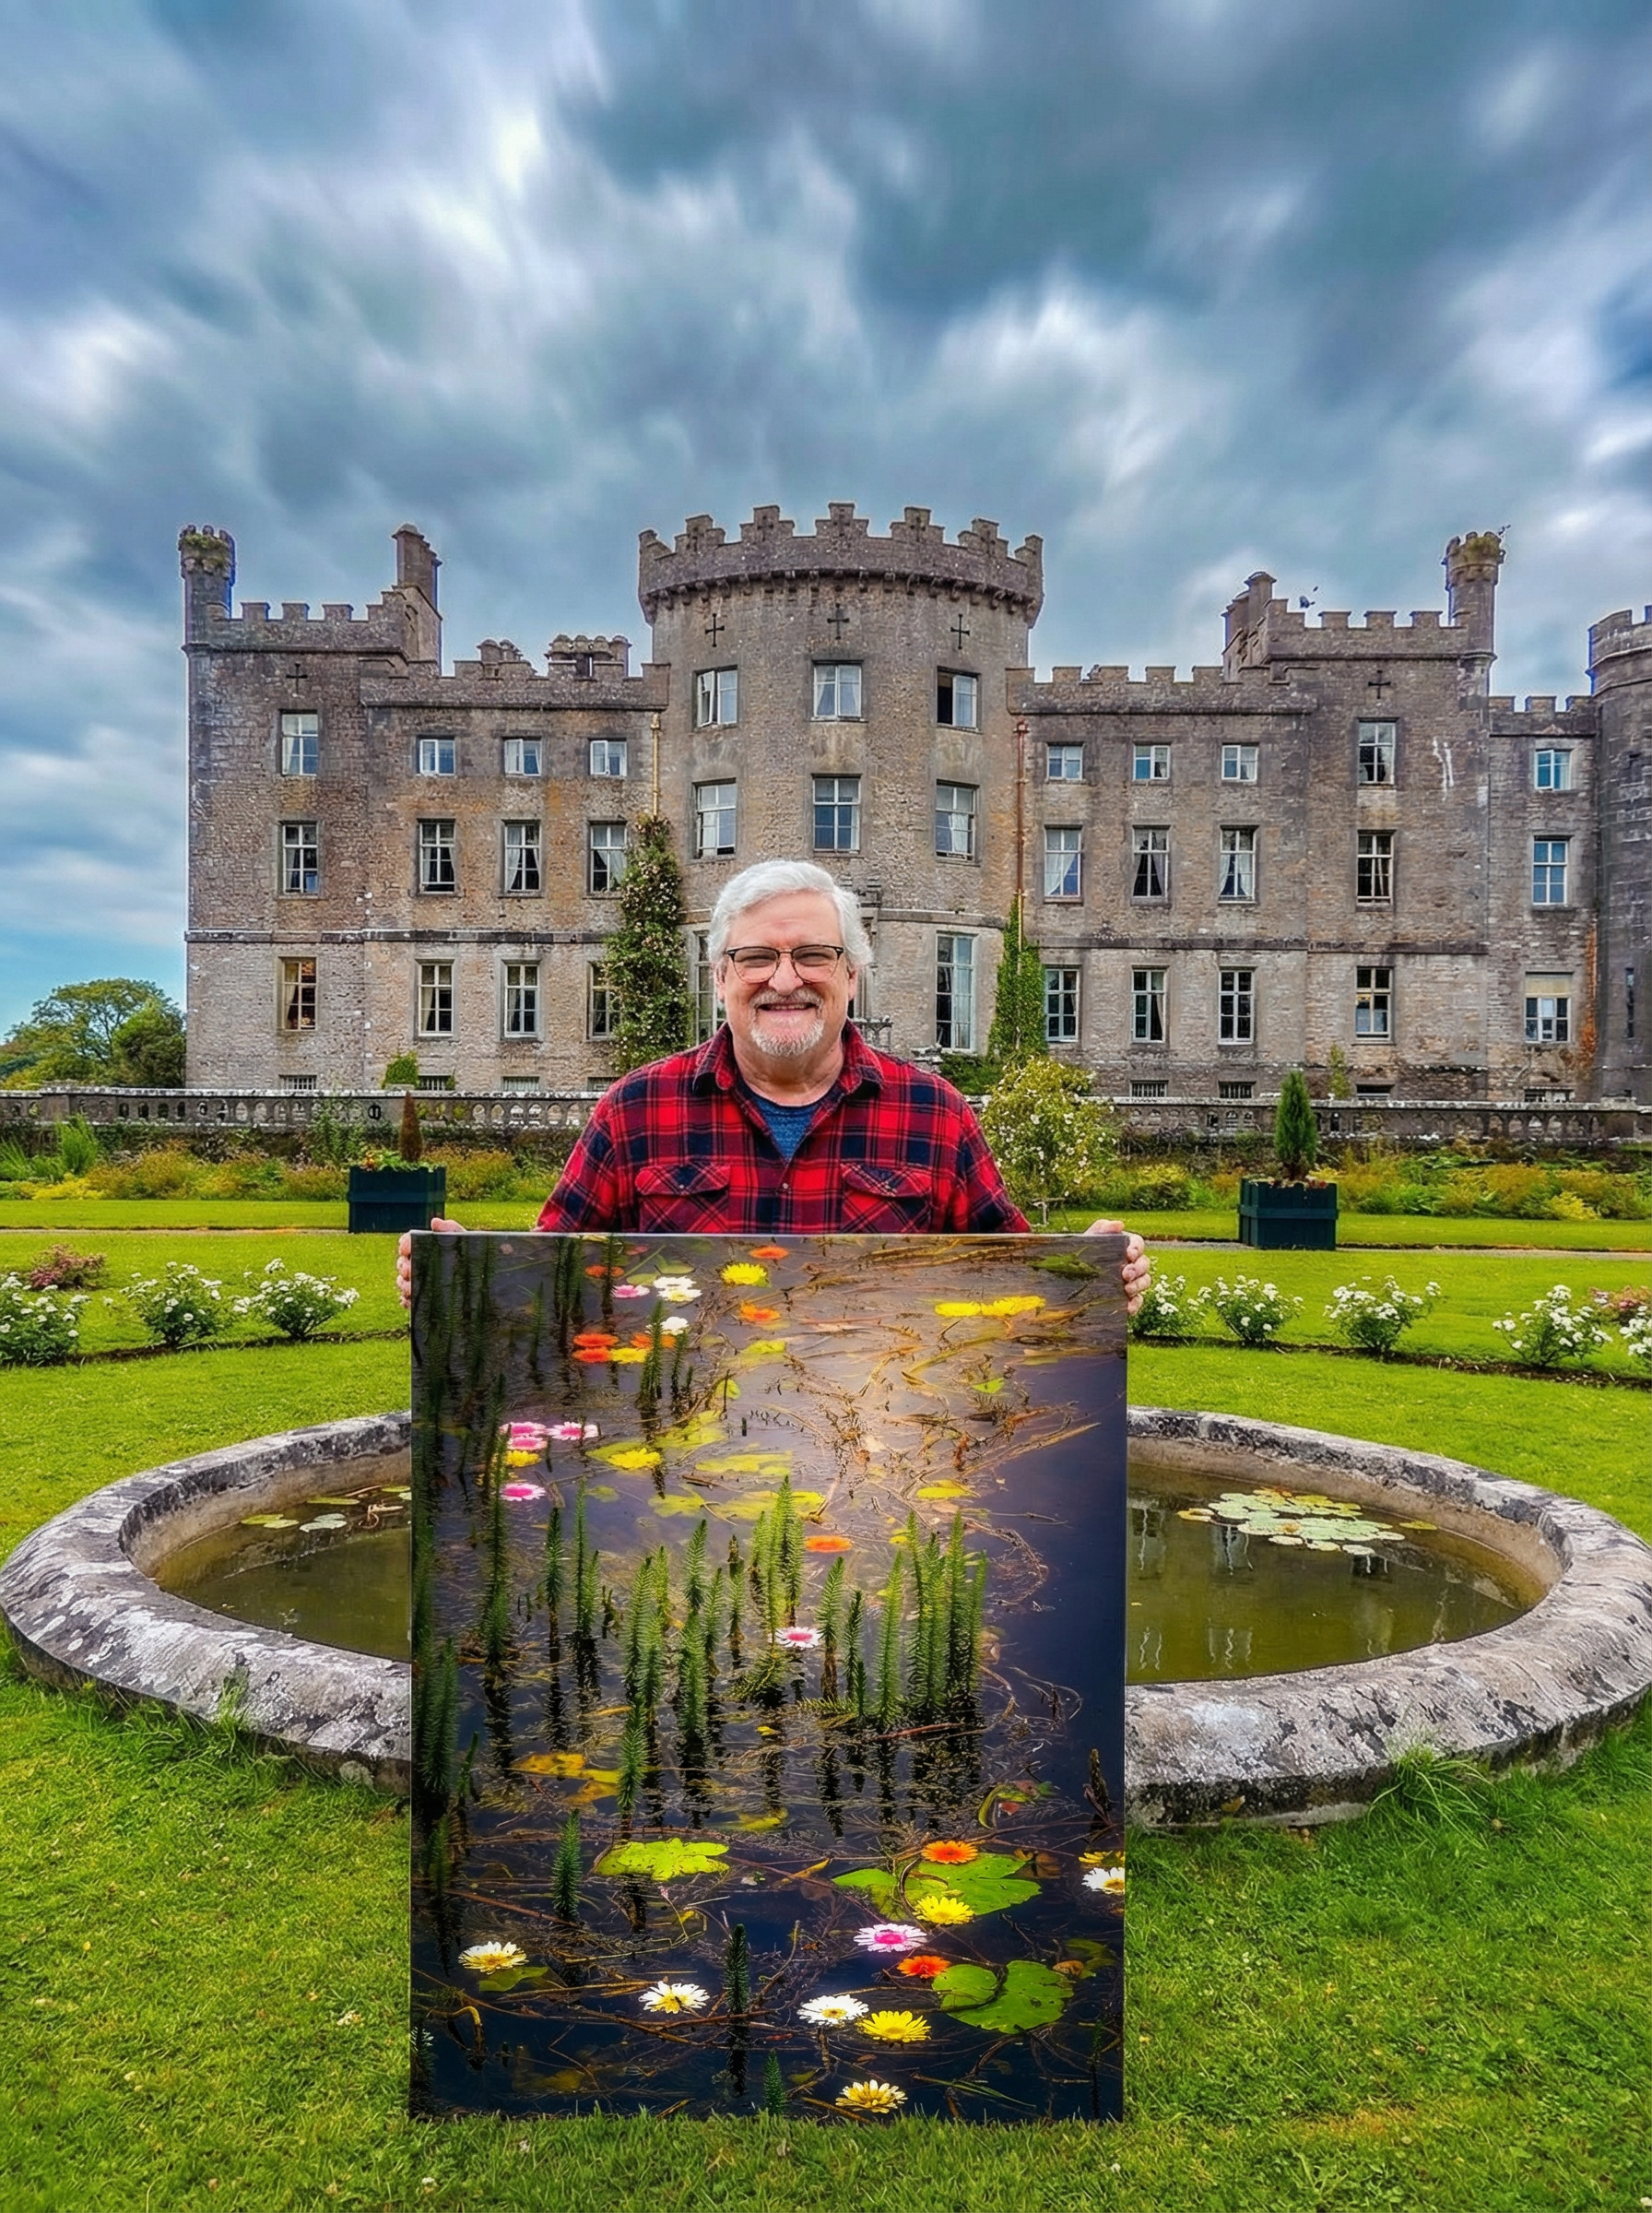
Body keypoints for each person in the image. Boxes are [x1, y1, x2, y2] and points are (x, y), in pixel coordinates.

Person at [397, 858, 1148, 1306]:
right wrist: (466, 1269)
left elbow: (1008, 1285)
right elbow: (550, 1279)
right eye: (757, 957)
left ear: (851, 975)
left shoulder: (934, 1114)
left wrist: (1087, 1273)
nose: (784, 980)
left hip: (877, 1465)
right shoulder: (636, 1111)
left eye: (813, 956)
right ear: (721, 976)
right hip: (677, 1468)